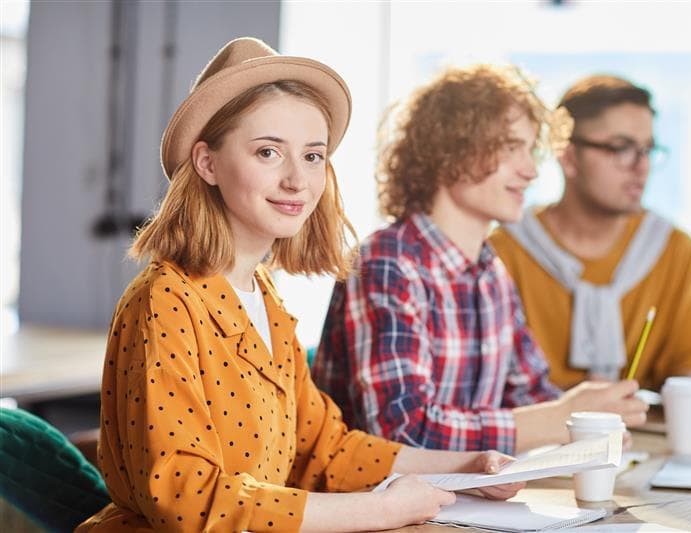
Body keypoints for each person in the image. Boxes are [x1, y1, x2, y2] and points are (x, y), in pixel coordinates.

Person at [76, 38, 524, 533]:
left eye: (313, 156)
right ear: (207, 163)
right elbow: (186, 496)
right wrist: (381, 509)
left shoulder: (263, 295)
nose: (297, 180)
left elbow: (325, 450)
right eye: (268, 152)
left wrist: (465, 467)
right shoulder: (166, 299)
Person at [312, 65, 648, 456]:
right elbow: (400, 431)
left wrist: (587, 419)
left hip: (463, 505)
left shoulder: (491, 271)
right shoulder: (388, 263)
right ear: (451, 150)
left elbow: (530, 392)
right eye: (509, 147)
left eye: (529, 149)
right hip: (380, 510)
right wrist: (559, 419)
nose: (530, 170)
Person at [489, 75, 691, 396]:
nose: (641, 166)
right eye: (621, 148)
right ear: (568, 157)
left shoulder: (675, 250)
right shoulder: (503, 252)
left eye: (648, 149)